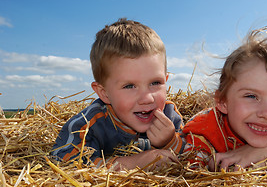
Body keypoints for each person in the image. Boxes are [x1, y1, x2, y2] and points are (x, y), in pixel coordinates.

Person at [52, 18, 185, 171]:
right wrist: (132, 164)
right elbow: (62, 159)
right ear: (104, 93)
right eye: (129, 86)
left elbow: (194, 153)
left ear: (166, 80)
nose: (147, 98)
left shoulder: (169, 115)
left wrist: (170, 141)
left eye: (155, 83)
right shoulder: (89, 123)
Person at [182, 26, 267, 171]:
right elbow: (190, 169)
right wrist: (215, 167)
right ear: (223, 101)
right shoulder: (206, 129)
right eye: (251, 96)